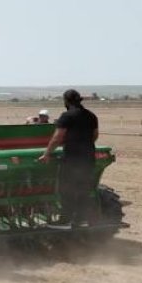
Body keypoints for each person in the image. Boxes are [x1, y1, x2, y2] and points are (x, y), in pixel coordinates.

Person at [37, 89, 99, 227]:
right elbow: (95, 135)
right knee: (83, 189)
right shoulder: (91, 115)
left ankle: (65, 220)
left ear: (66, 101)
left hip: (72, 159)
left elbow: (57, 137)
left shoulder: (67, 116)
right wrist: (85, 144)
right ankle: (81, 219)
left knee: (66, 189)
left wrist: (47, 154)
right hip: (88, 158)